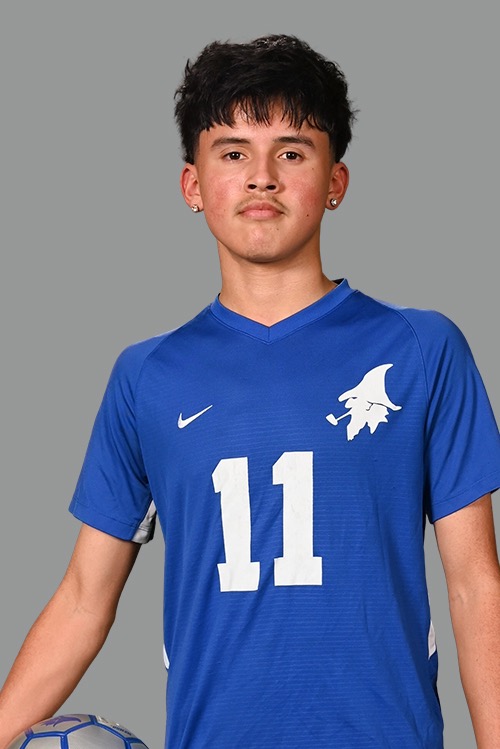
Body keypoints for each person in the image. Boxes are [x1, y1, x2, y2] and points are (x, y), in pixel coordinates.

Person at [1, 33, 499, 749]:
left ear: (336, 181)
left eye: (292, 153)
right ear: (192, 185)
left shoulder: (421, 348)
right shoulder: (147, 376)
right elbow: (84, 598)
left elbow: (475, 584)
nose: (262, 177)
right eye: (233, 153)